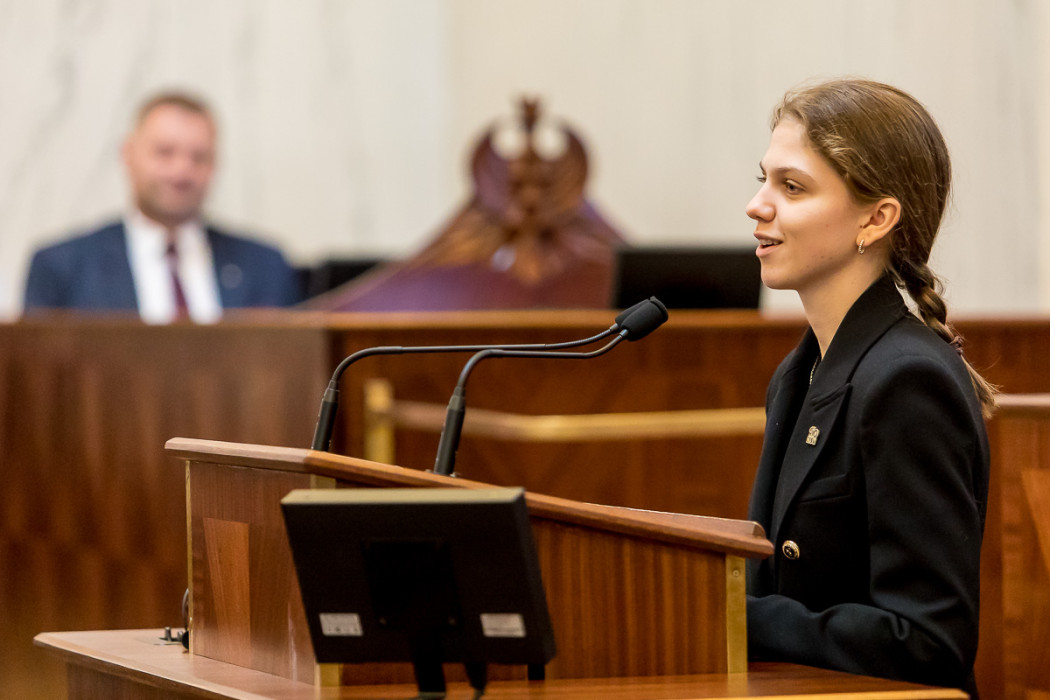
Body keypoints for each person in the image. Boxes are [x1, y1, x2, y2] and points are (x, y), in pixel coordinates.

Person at [743, 78, 996, 694]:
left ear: (876, 219)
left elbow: (929, 641)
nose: (757, 205)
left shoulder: (908, 379)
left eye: (792, 187)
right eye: (764, 179)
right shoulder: (798, 372)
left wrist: (736, 617)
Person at [23, 92, 299, 322]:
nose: (181, 171)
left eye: (199, 157)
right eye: (164, 153)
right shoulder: (63, 267)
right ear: (128, 155)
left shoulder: (264, 265)